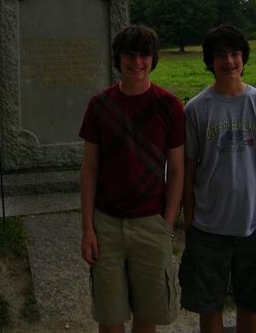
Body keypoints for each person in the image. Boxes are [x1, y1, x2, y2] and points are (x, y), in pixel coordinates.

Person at [179, 24, 256, 333]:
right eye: (220, 55)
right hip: (208, 227)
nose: (229, 61)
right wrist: (189, 220)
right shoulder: (195, 110)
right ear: (209, 61)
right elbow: (188, 172)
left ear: (243, 57)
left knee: (251, 304)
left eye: (234, 54)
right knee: (209, 306)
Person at [79, 25, 185, 333]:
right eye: (130, 54)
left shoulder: (169, 106)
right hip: (107, 224)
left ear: (153, 58)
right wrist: (88, 228)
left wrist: (167, 222)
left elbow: (177, 170)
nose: (137, 62)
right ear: (118, 58)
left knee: (146, 317)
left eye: (144, 54)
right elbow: (89, 170)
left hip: (151, 222)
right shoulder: (99, 106)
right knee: (110, 318)